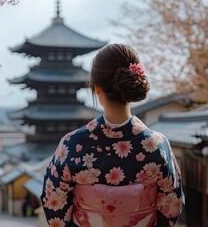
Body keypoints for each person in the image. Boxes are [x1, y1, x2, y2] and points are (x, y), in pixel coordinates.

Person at [40, 44, 185, 227]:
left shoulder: (71, 145)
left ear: (97, 88)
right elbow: (172, 207)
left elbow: (55, 208)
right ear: (133, 83)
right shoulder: (158, 146)